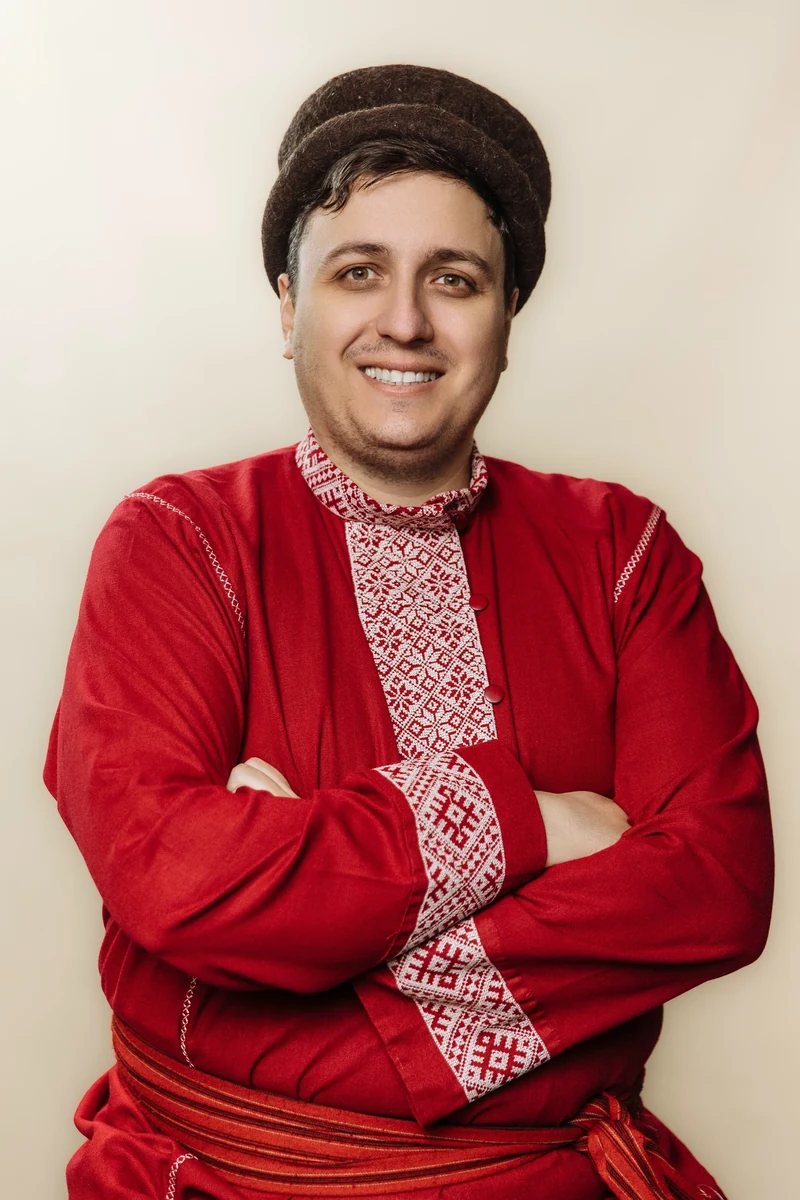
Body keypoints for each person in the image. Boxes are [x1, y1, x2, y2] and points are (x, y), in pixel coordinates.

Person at [45, 64, 773, 1200]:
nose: (404, 321)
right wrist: (530, 821)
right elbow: (175, 880)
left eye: (454, 279)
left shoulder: (622, 551)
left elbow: (717, 886)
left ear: (507, 315)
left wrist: (300, 912)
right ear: (288, 308)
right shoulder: (176, 543)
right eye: (357, 272)